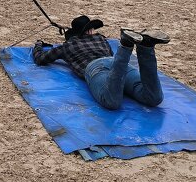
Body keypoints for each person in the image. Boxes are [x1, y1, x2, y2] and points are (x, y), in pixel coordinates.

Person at [33, 15, 170, 111]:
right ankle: (146, 48)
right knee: (154, 98)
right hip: (115, 62)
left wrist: (38, 45)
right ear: (90, 30)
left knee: (111, 101)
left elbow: (41, 58)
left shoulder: (68, 45)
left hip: (96, 68)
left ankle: (126, 45)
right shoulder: (101, 39)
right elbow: (111, 56)